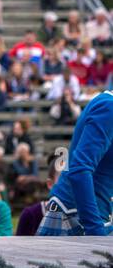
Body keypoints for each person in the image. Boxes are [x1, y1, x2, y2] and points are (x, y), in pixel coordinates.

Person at [37, 90, 112, 235]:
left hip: (94, 216)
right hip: (77, 218)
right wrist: (96, 233)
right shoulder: (109, 107)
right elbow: (80, 170)